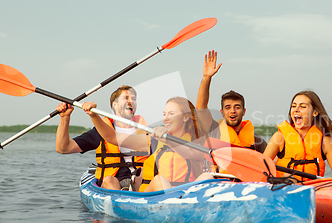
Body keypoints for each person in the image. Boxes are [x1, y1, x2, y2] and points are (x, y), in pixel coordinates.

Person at [81, 97, 214, 192]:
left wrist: (168, 140)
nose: (166, 118)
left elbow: (190, 153)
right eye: (164, 114)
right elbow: (113, 138)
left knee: (207, 177)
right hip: (155, 195)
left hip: (185, 195)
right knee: (160, 180)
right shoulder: (155, 140)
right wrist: (94, 116)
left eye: (171, 114)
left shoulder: (197, 142)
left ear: (186, 118)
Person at [56, 85, 148, 190]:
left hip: (140, 182)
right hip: (113, 183)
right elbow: (63, 148)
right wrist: (65, 117)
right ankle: (118, 201)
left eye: (133, 99)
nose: (130, 101)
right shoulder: (101, 131)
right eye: (125, 98)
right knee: (109, 180)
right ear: (115, 105)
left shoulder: (145, 131)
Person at [263, 90, 332, 179]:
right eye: (293, 106)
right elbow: (259, 169)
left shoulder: (325, 141)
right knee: (290, 177)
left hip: (314, 189)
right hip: (284, 188)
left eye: (302, 107)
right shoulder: (279, 138)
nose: (296, 110)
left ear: (315, 112)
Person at [196, 50, 267, 158]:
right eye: (227, 107)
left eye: (237, 107)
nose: (232, 111)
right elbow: (201, 108)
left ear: (244, 112)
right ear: (222, 112)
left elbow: (271, 161)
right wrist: (206, 77)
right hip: (220, 174)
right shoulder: (214, 131)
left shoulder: (257, 141)